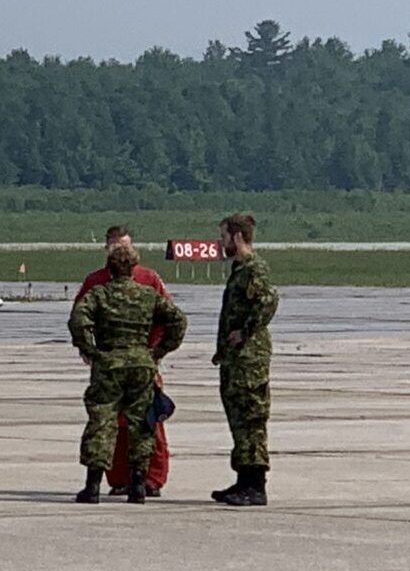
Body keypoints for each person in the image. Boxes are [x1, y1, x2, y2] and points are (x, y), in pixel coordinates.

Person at [68, 241, 187, 504]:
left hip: (109, 365)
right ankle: (138, 485)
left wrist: (92, 350)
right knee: (142, 424)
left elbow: (78, 318)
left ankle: (93, 486)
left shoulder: (99, 294)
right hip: (140, 364)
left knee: (102, 421)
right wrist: (157, 352)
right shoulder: (147, 294)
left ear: (110, 268)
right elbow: (178, 320)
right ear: (133, 268)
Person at [211, 213, 279, 506]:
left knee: (251, 418)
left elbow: (268, 302)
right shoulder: (239, 269)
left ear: (238, 237)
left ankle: (256, 485)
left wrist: (246, 332)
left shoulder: (254, 268)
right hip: (235, 360)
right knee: (239, 419)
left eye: (224, 236)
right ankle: (242, 481)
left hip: (250, 359)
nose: (220, 241)